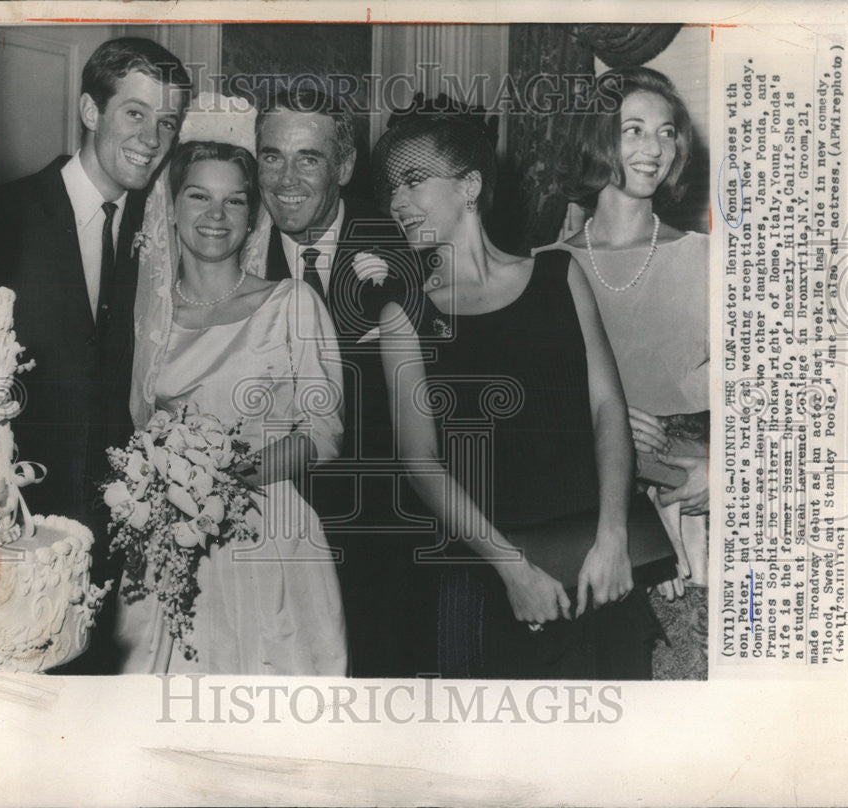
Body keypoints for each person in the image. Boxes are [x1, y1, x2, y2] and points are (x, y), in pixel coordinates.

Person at [372, 115, 661, 680]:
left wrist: (613, 537)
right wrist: (513, 571)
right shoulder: (403, 316)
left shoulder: (560, 275)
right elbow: (420, 461)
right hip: (490, 581)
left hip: (599, 563)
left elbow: (607, 411)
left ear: (470, 186)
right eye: (390, 188)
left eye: (411, 181)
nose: (396, 201)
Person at [0, 38, 191, 672]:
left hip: (109, 544)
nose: (152, 138)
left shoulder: (160, 232)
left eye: (168, 122)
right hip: (9, 534)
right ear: (91, 112)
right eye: (135, 113)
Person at [115, 96, 346, 674]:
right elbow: (140, 428)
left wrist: (223, 481)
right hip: (168, 540)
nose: (216, 215)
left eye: (234, 200)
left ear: (252, 216)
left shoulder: (291, 303)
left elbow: (324, 435)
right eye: (199, 196)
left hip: (272, 542)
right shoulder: (149, 318)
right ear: (170, 208)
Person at [255, 86, 427, 676]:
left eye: (309, 158)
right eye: (272, 156)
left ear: (346, 167)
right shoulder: (228, 255)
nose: (286, 179)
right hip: (269, 550)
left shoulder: (408, 246)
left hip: (392, 551)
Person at [543, 66, 710, 618]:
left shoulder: (712, 260)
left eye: (667, 132)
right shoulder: (544, 268)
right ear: (596, 137)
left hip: (699, 517)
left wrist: (728, 467)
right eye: (633, 128)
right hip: (588, 529)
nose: (654, 147)